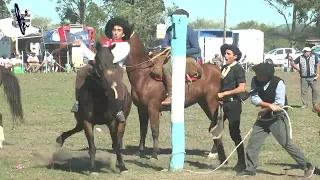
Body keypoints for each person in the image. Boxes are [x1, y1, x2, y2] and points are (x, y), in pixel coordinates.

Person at [237, 62, 315, 178]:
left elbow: (279, 103)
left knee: (286, 143)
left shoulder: (279, 83)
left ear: (266, 75)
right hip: (263, 118)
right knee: (253, 143)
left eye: (259, 74)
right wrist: (267, 107)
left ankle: (307, 166)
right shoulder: (255, 80)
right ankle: (250, 169)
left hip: (277, 117)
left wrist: (266, 109)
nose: (257, 76)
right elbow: (254, 98)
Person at [70, 17, 132, 122]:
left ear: (123, 34)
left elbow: (114, 59)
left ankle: (119, 109)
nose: (116, 33)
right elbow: (95, 57)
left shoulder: (125, 46)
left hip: (115, 68)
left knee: (118, 82)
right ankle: (78, 102)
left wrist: (100, 60)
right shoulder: (106, 45)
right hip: (99, 67)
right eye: (114, 30)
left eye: (119, 30)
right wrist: (82, 46)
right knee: (82, 71)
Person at [211, 44, 247, 172]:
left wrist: (224, 94)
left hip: (233, 104)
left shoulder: (238, 69)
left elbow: (242, 88)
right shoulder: (225, 68)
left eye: (228, 54)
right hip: (223, 104)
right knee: (213, 128)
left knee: (234, 133)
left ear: (235, 56)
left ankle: (242, 161)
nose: (225, 56)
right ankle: (222, 156)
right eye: (225, 54)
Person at [160, 9, 201, 105]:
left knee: (166, 67)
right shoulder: (170, 29)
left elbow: (196, 48)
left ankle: (170, 96)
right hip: (170, 55)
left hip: (185, 57)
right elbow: (164, 42)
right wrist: (166, 48)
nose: (172, 20)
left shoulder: (190, 31)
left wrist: (179, 52)